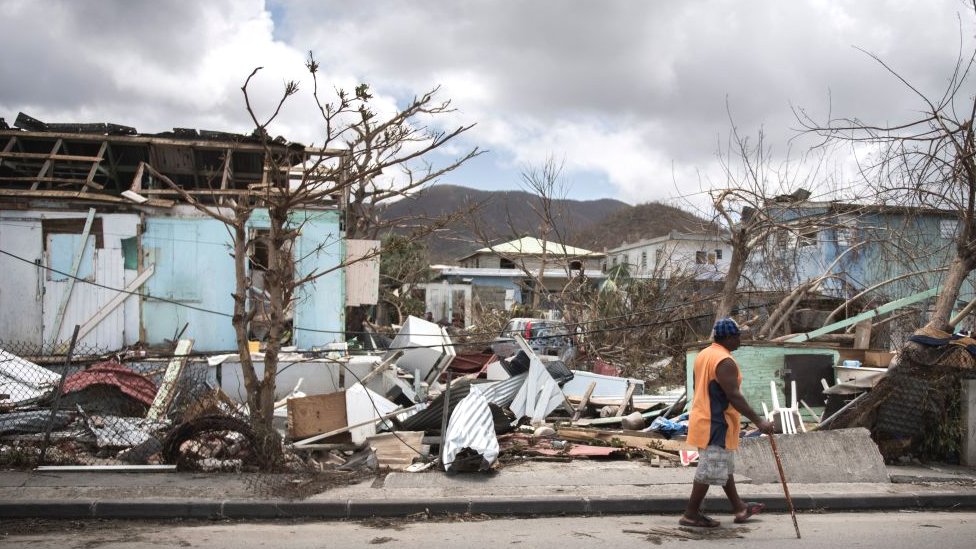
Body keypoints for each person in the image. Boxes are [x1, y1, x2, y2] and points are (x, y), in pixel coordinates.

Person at [680, 317, 775, 528]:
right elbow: (734, 396)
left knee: (722, 466)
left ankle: (739, 508)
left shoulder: (704, 354)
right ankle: (690, 514)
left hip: (704, 418)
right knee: (708, 470)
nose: (740, 339)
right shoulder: (725, 361)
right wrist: (759, 421)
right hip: (716, 424)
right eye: (738, 336)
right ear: (729, 338)